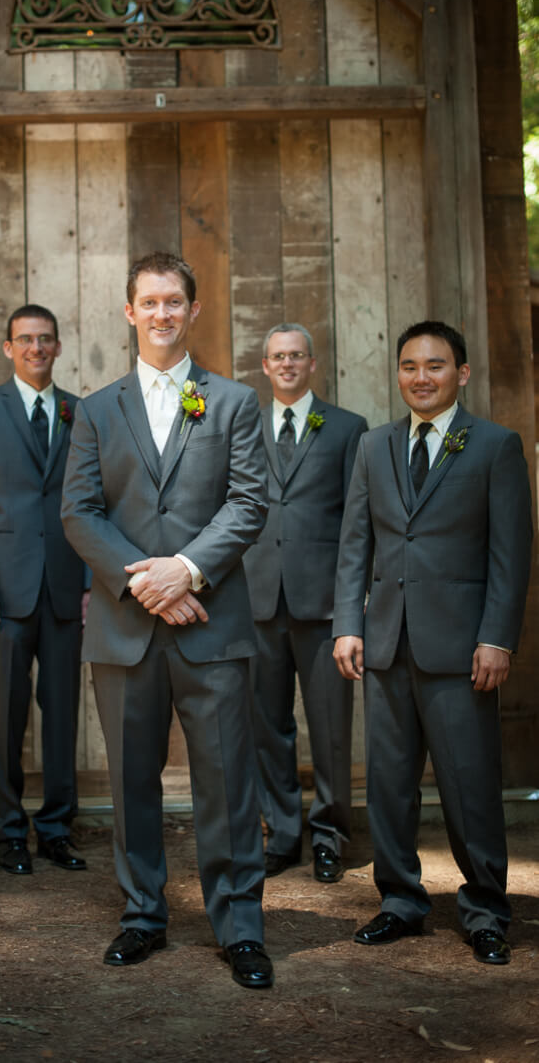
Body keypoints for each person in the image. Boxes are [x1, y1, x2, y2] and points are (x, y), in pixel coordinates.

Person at [61, 252, 273, 988]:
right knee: (131, 781)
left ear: (193, 310)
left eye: (173, 302)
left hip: (210, 622)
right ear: (129, 312)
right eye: (148, 302)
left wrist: (184, 571)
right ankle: (142, 914)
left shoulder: (234, 402)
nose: (161, 314)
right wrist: (144, 583)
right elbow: (78, 512)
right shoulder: (94, 409)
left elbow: (248, 502)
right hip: (125, 630)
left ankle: (239, 924)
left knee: (225, 781)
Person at [333, 320, 533, 965]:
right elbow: (354, 544)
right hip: (386, 642)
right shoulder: (373, 447)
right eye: (410, 366)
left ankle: (485, 911)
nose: (421, 377)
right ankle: (399, 902)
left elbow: (511, 553)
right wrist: (348, 623)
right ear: (399, 373)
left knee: (469, 783)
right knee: (389, 783)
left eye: (436, 366)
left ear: (462, 374)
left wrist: (497, 638)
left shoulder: (495, 446)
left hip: (461, 647)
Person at [0, 305, 88, 875]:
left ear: (58, 347)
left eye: (45, 339)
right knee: (5, 714)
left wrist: (90, 582)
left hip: (65, 589)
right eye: (25, 340)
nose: (36, 348)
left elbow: (91, 504)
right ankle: (9, 830)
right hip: (2, 593)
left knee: (62, 715)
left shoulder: (81, 412)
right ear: (8, 348)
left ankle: (57, 828)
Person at [243, 323, 367, 883]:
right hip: (257, 600)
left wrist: (351, 610)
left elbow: (356, 525)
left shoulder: (347, 429)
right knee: (268, 725)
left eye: (297, 356)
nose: (288, 364)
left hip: (323, 607)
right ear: (265, 367)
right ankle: (283, 832)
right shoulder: (241, 425)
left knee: (331, 728)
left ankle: (330, 834)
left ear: (312, 364)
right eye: (277, 357)